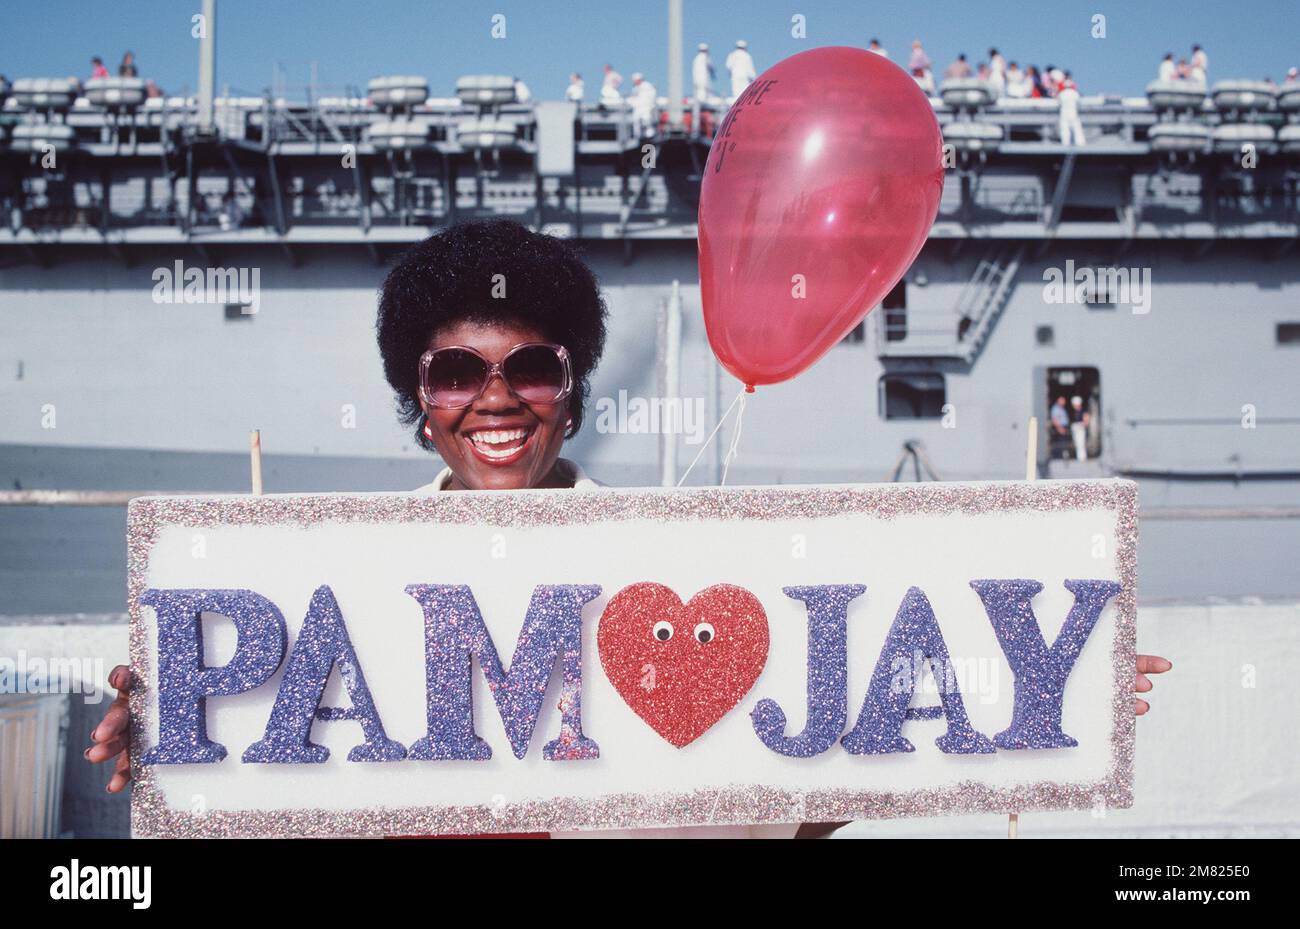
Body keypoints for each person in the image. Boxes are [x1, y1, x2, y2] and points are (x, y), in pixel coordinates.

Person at [86, 221, 1173, 833]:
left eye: (534, 366)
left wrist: (1034, 692)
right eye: (457, 371)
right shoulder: (322, 589)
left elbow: (785, 788)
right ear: (418, 399)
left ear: (574, 386)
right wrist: (187, 726)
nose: (497, 398)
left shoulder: (689, 569)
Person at [1058, 72, 1085, 147]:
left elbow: (1059, 103)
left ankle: (1065, 143)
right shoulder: (1075, 93)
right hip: (1073, 112)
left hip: (1064, 113)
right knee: (1077, 128)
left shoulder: (1062, 94)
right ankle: (1080, 143)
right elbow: (1079, 102)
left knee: (1065, 129)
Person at [627, 72, 657, 138]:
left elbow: (652, 96)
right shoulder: (635, 88)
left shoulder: (647, 85)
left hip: (646, 107)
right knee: (636, 120)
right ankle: (637, 135)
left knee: (647, 121)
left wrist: (651, 105)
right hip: (637, 108)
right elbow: (633, 98)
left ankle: (649, 134)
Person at [1069, 395, 1090, 461]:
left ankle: (1082, 458)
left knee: (1081, 443)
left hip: (1080, 429)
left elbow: (1086, 421)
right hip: (1075, 429)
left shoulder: (1083, 411)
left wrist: (1081, 425)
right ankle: (1078, 457)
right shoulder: (1073, 412)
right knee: (1077, 443)